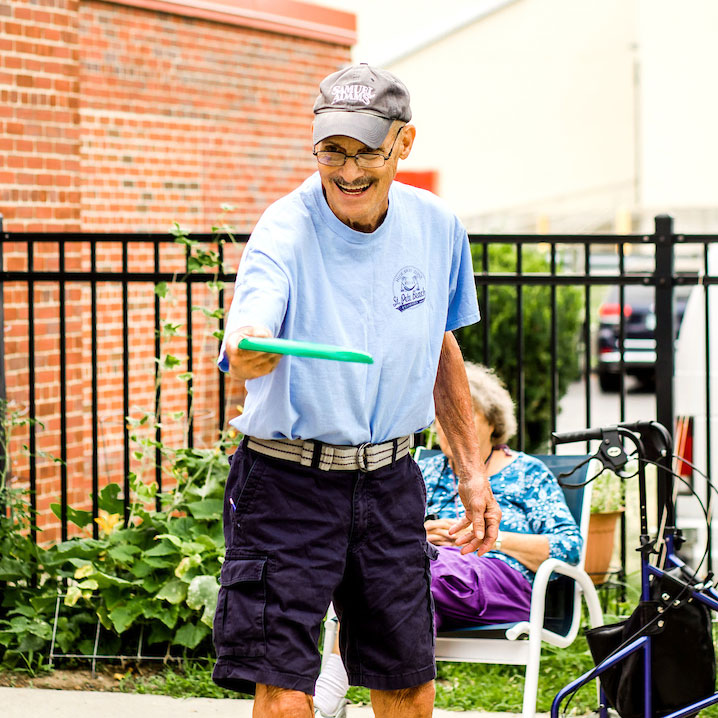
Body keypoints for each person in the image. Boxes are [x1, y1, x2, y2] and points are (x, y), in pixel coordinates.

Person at [212, 63, 501, 718]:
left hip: (388, 482)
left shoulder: (437, 229)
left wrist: (471, 473)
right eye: (331, 151)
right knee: (286, 696)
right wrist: (250, 346)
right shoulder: (284, 228)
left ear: (404, 143)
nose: (347, 171)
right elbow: (252, 322)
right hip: (286, 484)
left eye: (365, 151)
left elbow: (441, 347)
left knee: (408, 688)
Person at [313, 362, 582, 718]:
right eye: (439, 415)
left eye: (460, 414)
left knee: (404, 571)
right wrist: (422, 533)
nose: (445, 424)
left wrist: (488, 538)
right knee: (388, 570)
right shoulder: (424, 469)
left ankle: (326, 696)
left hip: (502, 582)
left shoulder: (527, 473)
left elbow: (568, 547)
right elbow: (381, 531)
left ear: (491, 422)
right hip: (427, 578)